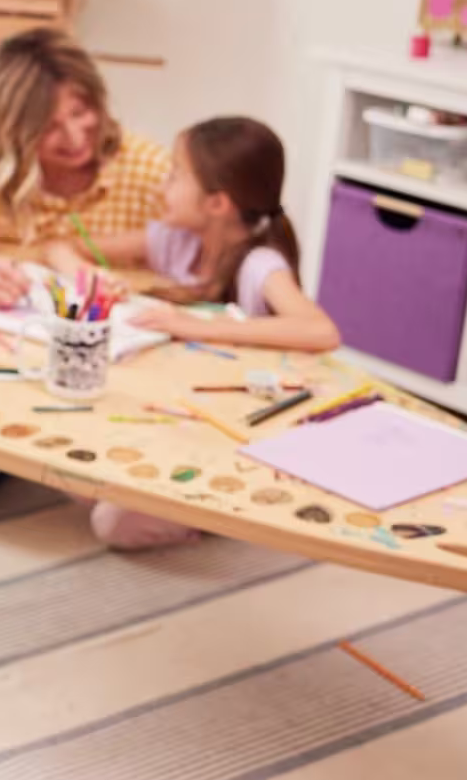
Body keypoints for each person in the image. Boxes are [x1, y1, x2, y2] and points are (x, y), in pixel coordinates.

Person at [0, 29, 169, 508]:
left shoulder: (142, 164)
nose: (77, 136)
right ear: (13, 126)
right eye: (51, 126)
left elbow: (203, 245)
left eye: (82, 113)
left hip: (100, 368)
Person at [46, 115, 341, 549]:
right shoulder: (173, 241)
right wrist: (90, 274)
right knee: (66, 460)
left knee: (113, 524)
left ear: (217, 203)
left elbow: (321, 331)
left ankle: (212, 515)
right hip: (170, 421)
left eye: (175, 176)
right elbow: (59, 245)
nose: (162, 188)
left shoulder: (259, 264)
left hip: (232, 439)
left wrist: (195, 325)